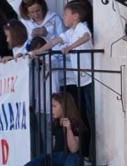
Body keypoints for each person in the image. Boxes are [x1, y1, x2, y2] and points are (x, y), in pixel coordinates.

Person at [31, 1, 94, 155]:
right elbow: (54, 41)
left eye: (66, 14)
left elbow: (86, 37)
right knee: (84, 116)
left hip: (90, 79)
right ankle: (85, 152)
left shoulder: (81, 27)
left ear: (76, 16)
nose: (63, 17)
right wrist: (39, 52)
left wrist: (70, 47)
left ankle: (91, 152)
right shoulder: (70, 32)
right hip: (81, 79)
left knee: (91, 117)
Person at [19, 92, 84, 166]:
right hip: (56, 157)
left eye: (54, 106)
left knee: (71, 163)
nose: (51, 109)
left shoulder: (75, 123)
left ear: (64, 107)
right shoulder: (54, 123)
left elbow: (73, 149)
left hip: (70, 157)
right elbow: (55, 145)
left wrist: (68, 129)